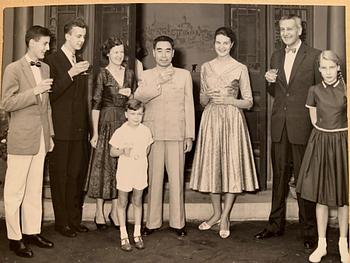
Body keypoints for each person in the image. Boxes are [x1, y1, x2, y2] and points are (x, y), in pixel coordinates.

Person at [254, 14, 321, 249]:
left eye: (290, 29)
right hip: (280, 127)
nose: (286, 33)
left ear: (300, 30)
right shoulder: (276, 55)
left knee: (305, 182)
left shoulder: (314, 56)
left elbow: (321, 93)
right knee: (280, 181)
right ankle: (274, 225)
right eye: (282, 29)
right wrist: (269, 82)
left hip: (303, 127)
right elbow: (279, 94)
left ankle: (309, 232)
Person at [189, 27, 259, 239]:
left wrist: (230, 100)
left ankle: (226, 215)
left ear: (232, 45)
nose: (221, 46)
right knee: (213, 165)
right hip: (211, 120)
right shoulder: (206, 67)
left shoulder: (240, 68)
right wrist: (207, 96)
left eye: (225, 43)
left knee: (231, 167)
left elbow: (248, 101)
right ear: (214, 44)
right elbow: (201, 100)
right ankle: (216, 213)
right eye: (218, 43)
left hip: (232, 120)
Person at [1, 25, 54, 258]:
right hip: (21, 138)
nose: (47, 47)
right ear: (31, 42)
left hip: (40, 137)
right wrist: (35, 90)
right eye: (44, 43)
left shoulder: (46, 67)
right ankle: (15, 238)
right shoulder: (13, 69)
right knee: (15, 191)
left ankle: (32, 231)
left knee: (34, 189)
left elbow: (47, 107)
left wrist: (49, 134)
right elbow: (7, 103)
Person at [134, 35, 195, 237]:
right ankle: (152, 223)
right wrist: (157, 82)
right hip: (153, 134)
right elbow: (138, 97)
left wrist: (189, 135)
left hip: (177, 133)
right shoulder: (147, 74)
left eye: (167, 50)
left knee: (177, 180)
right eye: (159, 50)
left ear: (173, 53)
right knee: (154, 179)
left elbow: (189, 107)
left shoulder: (184, 75)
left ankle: (178, 223)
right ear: (153, 53)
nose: (163, 55)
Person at [296, 50, 348, 263]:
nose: (328, 72)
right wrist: (326, 140)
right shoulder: (314, 90)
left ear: (338, 67)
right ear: (319, 69)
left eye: (331, 67)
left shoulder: (347, 89)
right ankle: (322, 243)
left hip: (343, 143)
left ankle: (343, 243)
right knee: (321, 196)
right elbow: (315, 121)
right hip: (321, 144)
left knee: (344, 197)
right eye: (323, 67)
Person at [45, 17, 90, 237]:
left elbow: (83, 101)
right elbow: (50, 96)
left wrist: (89, 130)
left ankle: (74, 220)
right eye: (78, 36)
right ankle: (61, 222)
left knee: (76, 176)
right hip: (60, 131)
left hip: (79, 131)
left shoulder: (79, 59)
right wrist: (71, 74)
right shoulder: (52, 61)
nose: (82, 40)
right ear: (67, 36)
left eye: (83, 36)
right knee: (60, 177)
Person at [85, 37, 135, 229]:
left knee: (120, 167)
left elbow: (134, 101)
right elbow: (96, 104)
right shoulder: (102, 74)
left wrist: (130, 95)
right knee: (103, 166)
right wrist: (95, 133)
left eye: (121, 52)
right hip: (106, 122)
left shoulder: (129, 73)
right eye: (115, 52)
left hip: (124, 122)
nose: (119, 55)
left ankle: (115, 211)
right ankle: (99, 212)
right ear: (107, 54)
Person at [109, 99, 153, 251]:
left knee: (138, 201)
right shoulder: (121, 131)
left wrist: (139, 158)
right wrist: (123, 151)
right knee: (122, 201)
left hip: (140, 170)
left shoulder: (145, 130)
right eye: (133, 114)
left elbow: (147, 149)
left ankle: (137, 233)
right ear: (126, 114)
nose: (136, 117)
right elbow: (112, 151)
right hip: (125, 171)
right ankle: (123, 235)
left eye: (139, 114)